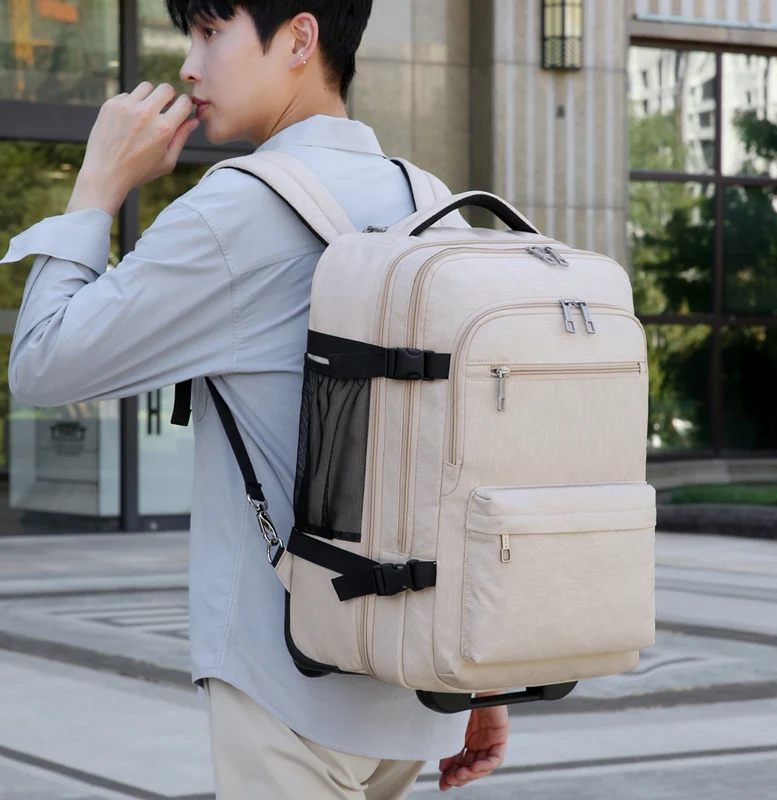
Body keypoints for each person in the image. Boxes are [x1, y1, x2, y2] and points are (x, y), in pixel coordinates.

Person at [1, 2, 509, 797]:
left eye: (211, 33)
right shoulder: (431, 197)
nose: (188, 65)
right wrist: (482, 673)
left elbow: (41, 363)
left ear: (300, 38)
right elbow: (465, 451)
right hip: (414, 676)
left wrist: (98, 183)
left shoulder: (236, 208)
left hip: (287, 684)